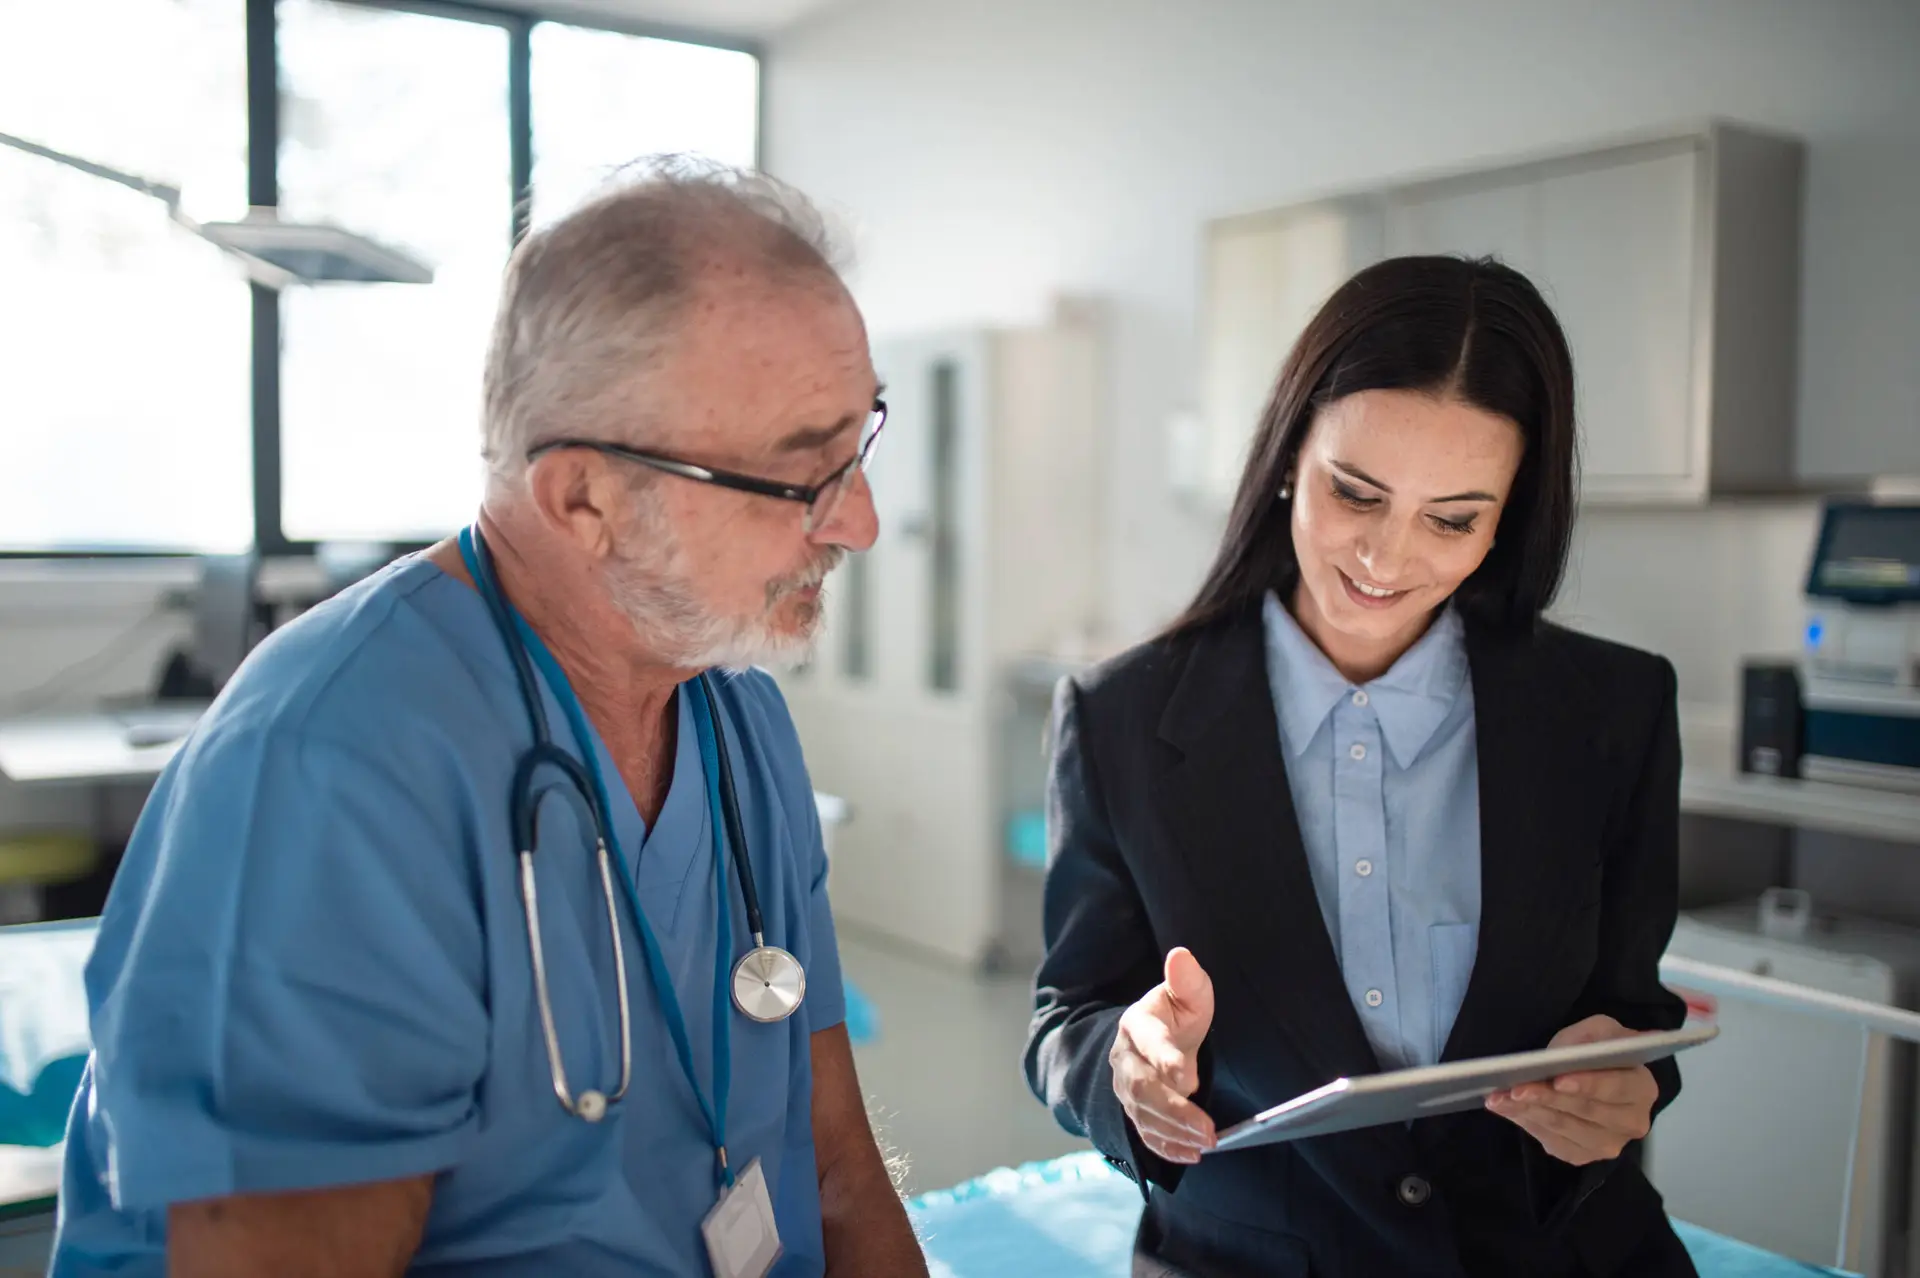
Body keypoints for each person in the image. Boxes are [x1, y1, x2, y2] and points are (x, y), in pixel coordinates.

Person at [52, 159, 929, 1278]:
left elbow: (838, 1172)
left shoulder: (735, 719)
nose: (861, 521)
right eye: (804, 476)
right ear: (584, 500)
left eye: (862, 439)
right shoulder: (328, 774)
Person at [1025, 255, 1694, 1277]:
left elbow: (1630, 1012)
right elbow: (1067, 1019)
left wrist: (1623, 1086)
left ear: (1509, 514)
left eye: (1453, 518)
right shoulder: (1119, 720)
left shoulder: (1614, 713)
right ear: (1292, 452)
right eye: (1356, 493)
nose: (1385, 559)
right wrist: (1125, 1066)